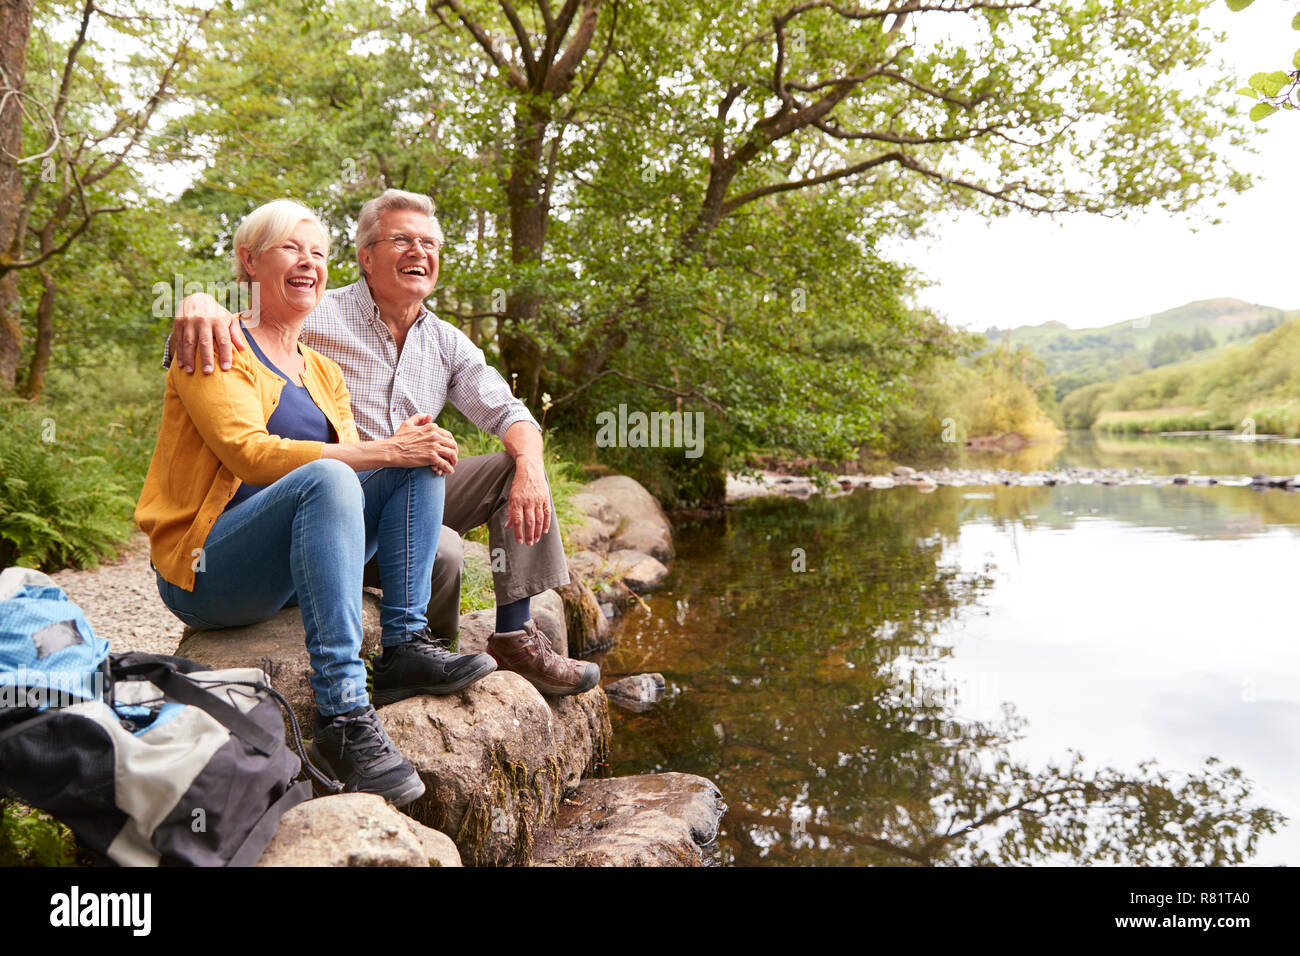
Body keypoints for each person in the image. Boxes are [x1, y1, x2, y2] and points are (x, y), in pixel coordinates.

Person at [137, 199, 498, 808]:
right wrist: (196, 300)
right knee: (338, 472)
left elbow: (365, 474)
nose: (308, 263)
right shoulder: (218, 343)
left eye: (318, 254)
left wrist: (405, 449)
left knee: (423, 454)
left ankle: (406, 646)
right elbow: (250, 456)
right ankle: (343, 715)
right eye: (289, 249)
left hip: (285, 568)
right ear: (249, 261)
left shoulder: (323, 370)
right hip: (209, 568)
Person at [166, 189, 599, 697]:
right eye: (402, 240)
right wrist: (199, 304)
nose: (420, 252)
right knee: (447, 549)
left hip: (400, 493)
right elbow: (240, 326)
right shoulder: (316, 309)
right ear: (366, 258)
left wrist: (530, 465)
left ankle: (505, 638)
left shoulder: (446, 341)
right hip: (316, 496)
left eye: (429, 243)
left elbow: (507, 410)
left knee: (505, 462)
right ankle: (410, 654)